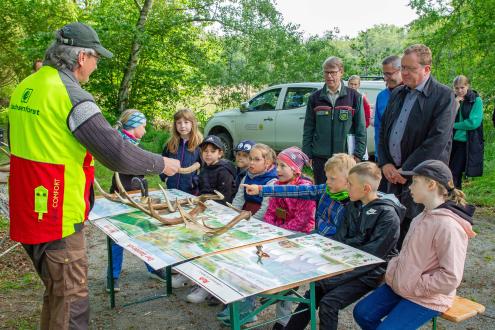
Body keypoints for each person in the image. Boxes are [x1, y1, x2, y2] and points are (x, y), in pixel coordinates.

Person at [8, 22, 180, 329]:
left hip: (27, 208)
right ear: (81, 57)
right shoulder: (72, 96)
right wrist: (161, 164)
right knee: (72, 302)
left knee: (57, 295)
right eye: (96, 57)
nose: (97, 65)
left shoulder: (28, 86)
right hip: (57, 215)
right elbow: (115, 152)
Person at [353, 160, 475, 330]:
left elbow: (451, 277)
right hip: (403, 286)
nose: (409, 187)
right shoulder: (421, 216)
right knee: (362, 313)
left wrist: (416, 285)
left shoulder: (449, 226)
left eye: (415, 182)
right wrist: (396, 270)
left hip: (427, 297)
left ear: (431, 184)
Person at [283, 162, 404, 330]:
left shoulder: (388, 216)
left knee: (328, 303)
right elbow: (340, 240)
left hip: (371, 272)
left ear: (366, 188)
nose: (346, 187)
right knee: (313, 292)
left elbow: (372, 258)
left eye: (350, 184)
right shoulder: (353, 205)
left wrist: (333, 279)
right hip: (349, 264)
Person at [378, 44, 456, 249]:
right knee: (391, 224)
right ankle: (393, 270)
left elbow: (437, 140)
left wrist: (407, 169)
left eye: (410, 69)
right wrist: (385, 162)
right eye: (402, 68)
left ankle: (411, 275)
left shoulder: (443, 96)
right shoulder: (398, 93)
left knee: (415, 232)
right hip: (392, 174)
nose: (403, 73)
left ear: (426, 69)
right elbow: (383, 130)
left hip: (421, 177)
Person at [106, 109, 168, 292]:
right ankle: (113, 276)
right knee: (117, 238)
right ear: (134, 126)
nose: (146, 130)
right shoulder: (125, 147)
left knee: (146, 233)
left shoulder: (132, 145)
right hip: (122, 197)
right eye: (143, 126)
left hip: (136, 196)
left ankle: (153, 267)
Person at [243, 153, 356, 238]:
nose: (327, 182)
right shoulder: (324, 190)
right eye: (327, 178)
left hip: (333, 244)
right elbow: (294, 191)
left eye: (332, 179)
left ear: (348, 180)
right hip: (317, 238)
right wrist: (260, 189)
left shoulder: (354, 203)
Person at [185, 135, 236, 304]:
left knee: (215, 252)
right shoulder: (205, 168)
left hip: (221, 216)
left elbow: (225, 198)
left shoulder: (224, 171)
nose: (207, 154)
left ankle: (211, 288)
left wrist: (207, 204)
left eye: (212, 151)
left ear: (220, 153)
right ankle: (199, 281)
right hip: (206, 213)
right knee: (199, 247)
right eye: (205, 151)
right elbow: (202, 190)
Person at [302, 56, 367, 185]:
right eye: (326, 72)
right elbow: (308, 128)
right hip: (320, 158)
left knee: (345, 194)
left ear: (341, 72)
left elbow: (361, 128)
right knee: (321, 192)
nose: (329, 76)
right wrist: (307, 154)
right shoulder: (315, 98)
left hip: (345, 158)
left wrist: (357, 155)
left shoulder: (354, 97)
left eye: (333, 72)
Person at [449, 75, 484, 189]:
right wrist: (455, 104)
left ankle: (455, 201)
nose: (459, 91)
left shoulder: (476, 100)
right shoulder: (452, 99)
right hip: (450, 141)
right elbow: (446, 119)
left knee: (455, 172)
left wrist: (453, 126)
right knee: (449, 172)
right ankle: (455, 200)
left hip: (466, 142)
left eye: (462, 87)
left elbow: (473, 123)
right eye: (457, 88)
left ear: (467, 86)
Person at [160, 109, 202, 194]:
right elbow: (162, 161)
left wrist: (195, 181)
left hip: (190, 191)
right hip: (171, 189)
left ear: (192, 124)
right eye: (179, 123)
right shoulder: (170, 144)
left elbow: (205, 167)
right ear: (175, 125)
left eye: (186, 122)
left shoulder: (200, 145)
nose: (182, 126)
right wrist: (165, 177)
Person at [232, 143, 278, 220]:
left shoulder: (271, 181)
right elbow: (238, 200)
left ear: (268, 162)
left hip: (260, 220)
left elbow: (265, 209)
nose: (251, 162)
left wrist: (251, 221)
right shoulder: (246, 177)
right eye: (250, 158)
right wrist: (232, 215)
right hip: (245, 216)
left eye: (257, 159)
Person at [374, 55, 402, 163]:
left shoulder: (412, 94)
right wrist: (379, 156)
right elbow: (378, 127)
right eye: (384, 74)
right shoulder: (381, 96)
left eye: (389, 74)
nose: (385, 78)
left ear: (401, 71)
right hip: (385, 160)